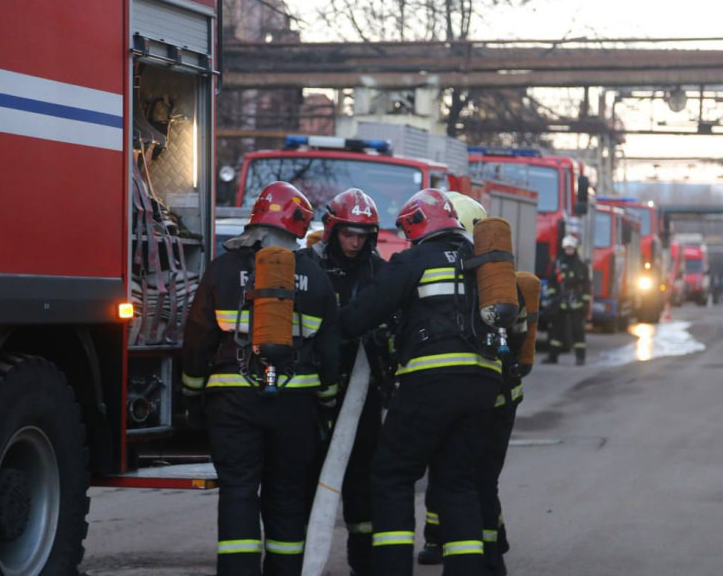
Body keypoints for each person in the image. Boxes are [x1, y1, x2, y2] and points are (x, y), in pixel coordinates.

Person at [182, 181, 340, 576]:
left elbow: (198, 334)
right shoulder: (316, 277)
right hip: (296, 403)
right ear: (297, 225)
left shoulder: (221, 270)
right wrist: (327, 400)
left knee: (238, 489)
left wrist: (192, 391)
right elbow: (330, 348)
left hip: (232, 402)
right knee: (287, 494)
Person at [340, 188, 502, 576]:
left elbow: (366, 312)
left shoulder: (414, 259)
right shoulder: (484, 261)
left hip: (430, 383)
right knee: (456, 482)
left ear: (417, 224)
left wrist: (331, 326)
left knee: (392, 475)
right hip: (483, 385)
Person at [417, 192, 531, 576]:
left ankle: (479, 556)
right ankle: (488, 551)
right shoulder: (498, 278)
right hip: (502, 395)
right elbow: (518, 334)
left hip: (475, 396)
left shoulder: (445, 275)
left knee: (461, 475)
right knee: (481, 479)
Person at [300, 188, 387, 576]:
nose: (355, 243)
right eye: (348, 234)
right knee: (305, 473)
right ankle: (296, 558)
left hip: (361, 389)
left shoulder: (379, 271)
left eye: (362, 236)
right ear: (332, 230)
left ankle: (364, 563)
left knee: (361, 478)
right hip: (311, 387)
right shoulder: (307, 265)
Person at [545, 235, 591, 365]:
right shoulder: (558, 263)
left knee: (578, 331)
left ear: (575, 249)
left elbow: (587, 285)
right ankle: (553, 357)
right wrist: (553, 297)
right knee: (556, 331)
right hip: (561, 303)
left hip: (576, 303)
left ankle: (580, 358)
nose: (569, 250)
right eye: (567, 248)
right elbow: (551, 282)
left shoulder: (581, 265)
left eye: (571, 248)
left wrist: (585, 302)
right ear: (564, 249)